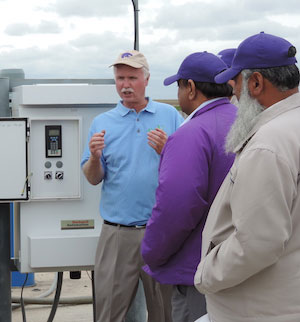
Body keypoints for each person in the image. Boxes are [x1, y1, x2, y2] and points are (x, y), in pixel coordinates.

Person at [194, 32, 300, 322]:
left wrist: (206, 274)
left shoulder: (269, 144)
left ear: (255, 83)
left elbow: (258, 243)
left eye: (236, 83)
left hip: (262, 311)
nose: (234, 94)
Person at [81, 50, 183, 322]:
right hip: (118, 234)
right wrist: (93, 157)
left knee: (166, 313)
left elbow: (185, 170)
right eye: (120, 78)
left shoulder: (170, 116)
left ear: (147, 79)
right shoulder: (102, 123)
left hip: (160, 231)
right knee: (109, 313)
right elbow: (93, 178)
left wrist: (167, 150)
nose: (125, 84)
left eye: (132, 77)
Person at [141, 52, 236, 322]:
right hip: (237, 265)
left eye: (179, 86)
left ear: (191, 88)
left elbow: (177, 206)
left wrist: (152, 252)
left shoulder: (191, 133)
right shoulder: (244, 122)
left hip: (197, 273)